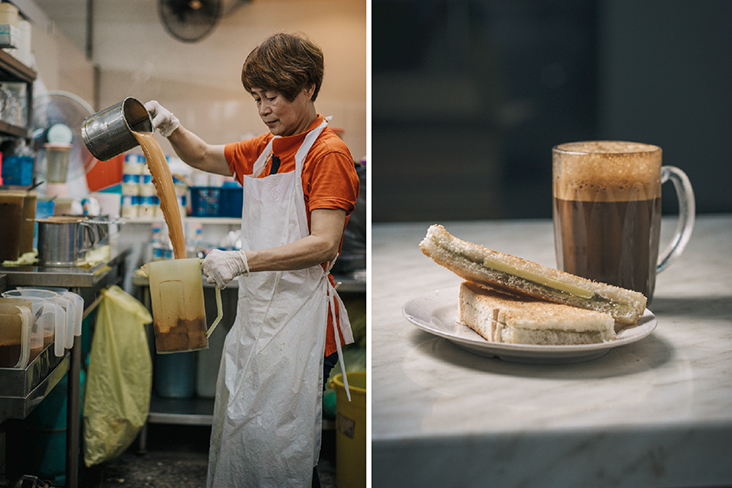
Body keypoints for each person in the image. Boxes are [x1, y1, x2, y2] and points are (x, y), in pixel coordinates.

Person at [145, 32, 360, 488]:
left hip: (300, 322)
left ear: (307, 88)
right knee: (245, 434)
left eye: (274, 97)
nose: (264, 109)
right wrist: (171, 126)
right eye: (257, 98)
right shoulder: (264, 150)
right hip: (257, 318)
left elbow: (324, 243)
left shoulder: (328, 154)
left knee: (285, 448)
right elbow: (202, 155)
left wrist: (243, 260)